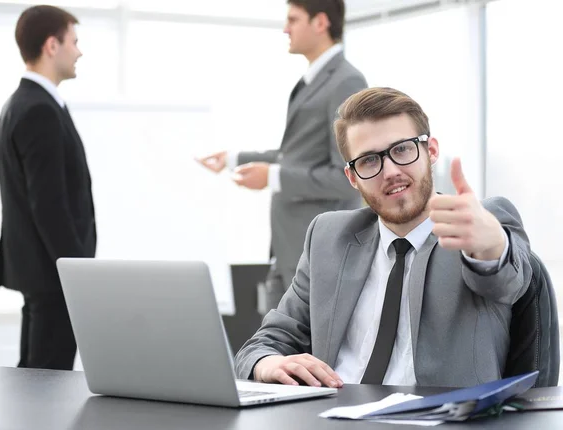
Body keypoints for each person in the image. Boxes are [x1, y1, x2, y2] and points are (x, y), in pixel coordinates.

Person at [234, 87, 532, 388]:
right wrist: (268, 363)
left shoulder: (478, 224)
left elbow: (508, 281)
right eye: (368, 161)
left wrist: (493, 246)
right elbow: (264, 343)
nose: (389, 171)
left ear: (430, 151)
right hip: (333, 415)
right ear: (352, 177)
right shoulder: (328, 237)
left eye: (402, 149)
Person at [197, 0, 367, 311]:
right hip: (290, 249)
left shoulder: (346, 82)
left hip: (320, 254)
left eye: (293, 19)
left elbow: (347, 176)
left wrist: (272, 177)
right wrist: (234, 158)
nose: (285, 28)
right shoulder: (312, 81)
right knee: (276, 349)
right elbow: (297, 153)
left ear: (320, 23)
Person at [0, 5, 96, 370]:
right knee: (46, 381)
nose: (80, 51)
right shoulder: (38, 109)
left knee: (35, 378)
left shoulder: (22, 103)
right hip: (54, 277)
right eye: (75, 41)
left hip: (40, 272)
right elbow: (49, 206)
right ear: (52, 45)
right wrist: (77, 275)